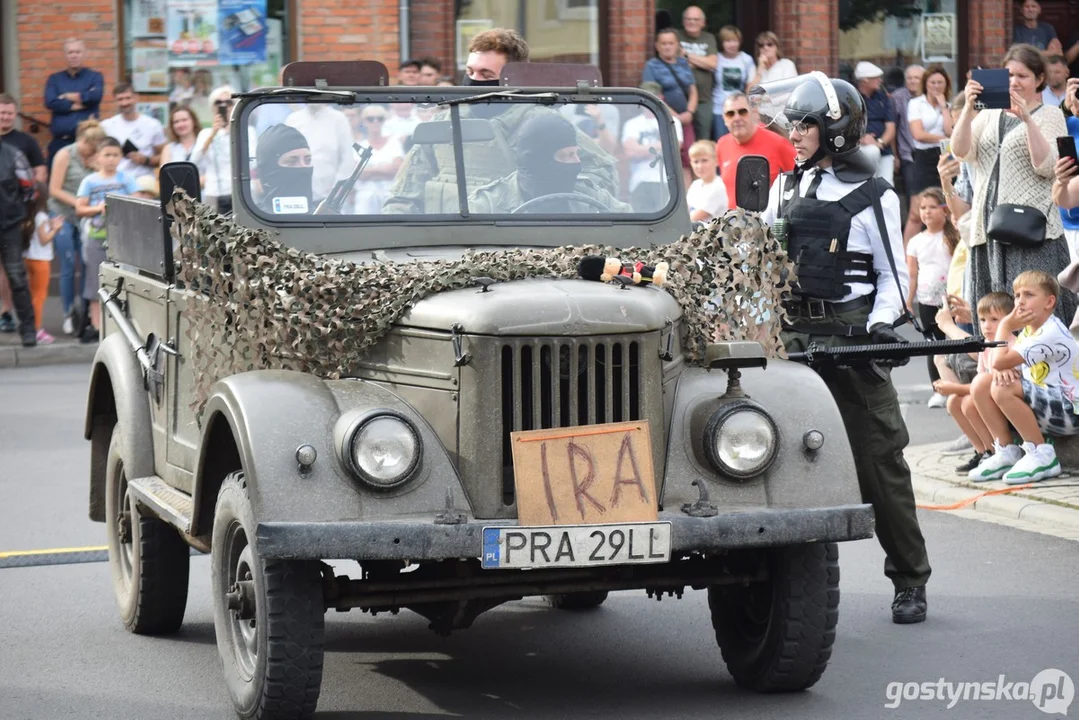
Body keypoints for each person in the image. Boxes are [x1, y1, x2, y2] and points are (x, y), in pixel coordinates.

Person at [762, 74, 931, 624]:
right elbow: (762, 261)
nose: (796, 132)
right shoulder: (784, 187)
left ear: (834, 129)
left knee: (879, 458)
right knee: (771, 453)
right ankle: (776, 584)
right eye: (795, 122)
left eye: (806, 123)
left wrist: (879, 330)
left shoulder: (875, 193)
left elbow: (892, 277)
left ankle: (909, 579)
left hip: (850, 332)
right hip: (792, 335)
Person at [383, 29, 618, 215]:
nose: (474, 81)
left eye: (486, 75)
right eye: (470, 72)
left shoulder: (542, 124)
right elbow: (403, 196)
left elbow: (601, 176)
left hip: (517, 247)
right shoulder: (444, 123)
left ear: (514, 77)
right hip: (442, 246)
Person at [952, 44, 1074, 330]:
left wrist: (1028, 119)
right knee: (994, 317)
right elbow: (961, 152)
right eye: (1009, 75)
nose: (1014, 82)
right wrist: (968, 109)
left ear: (1039, 80)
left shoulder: (1050, 115)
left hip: (1030, 232)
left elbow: (1045, 165)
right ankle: (999, 372)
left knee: (1034, 316)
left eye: (1022, 75)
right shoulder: (988, 115)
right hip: (989, 230)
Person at [968, 270, 1079, 483]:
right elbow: (1000, 366)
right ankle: (1008, 452)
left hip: (1069, 411)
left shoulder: (1050, 332)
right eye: (1017, 295)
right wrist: (1002, 367)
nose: (1020, 301)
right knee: (982, 383)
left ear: (1049, 302)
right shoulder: (1030, 331)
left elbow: (999, 361)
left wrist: (1005, 325)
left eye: (1028, 295)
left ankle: (1042, 456)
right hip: (1046, 404)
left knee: (1003, 388)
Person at [468, 114, 630, 214]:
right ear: (539, 162)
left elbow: (630, 223)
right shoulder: (487, 204)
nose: (577, 163)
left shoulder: (590, 196)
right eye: (567, 155)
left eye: (576, 153)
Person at [932, 291, 1015, 474]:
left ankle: (998, 450)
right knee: (954, 401)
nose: (986, 326)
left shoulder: (1007, 345)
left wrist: (955, 387)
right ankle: (984, 451)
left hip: (1007, 400)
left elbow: (986, 383)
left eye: (994, 320)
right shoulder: (987, 345)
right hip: (991, 396)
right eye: (983, 320)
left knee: (967, 402)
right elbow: (980, 380)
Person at [75, 137, 138, 343]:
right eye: (107, 155)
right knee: (95, 280)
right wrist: (97, 208)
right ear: (98, 157)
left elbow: (137, 202)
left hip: (122, 238)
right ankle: (96, 325)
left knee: (123, 280)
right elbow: (80, 207)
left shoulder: (126, 179)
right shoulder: (90, 181)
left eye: (115, 155)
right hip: (96, 237)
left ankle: (121, 327)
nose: (111, 159)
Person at [48, 117, 104, 335]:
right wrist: (80, 203)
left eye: (94, 146)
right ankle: (68, 313)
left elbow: (101, 182)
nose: (89, 150)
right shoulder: (65, 154)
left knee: (87, 265)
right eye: (87, 145)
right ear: (80, 139)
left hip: (86, 219)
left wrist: (97, 166)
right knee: (68, 262)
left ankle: (85, 312)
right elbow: (54, 189)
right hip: (62, 214)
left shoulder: (96, 157)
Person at [907, 188, 958, 408]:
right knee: (933, 344)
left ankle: (958, 384)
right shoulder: (915, 242)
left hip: (953, 298)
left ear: (945, 211)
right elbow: (912, 274)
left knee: (956, 342)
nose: (927, 212)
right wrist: (908, 301)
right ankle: (937, 387)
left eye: (932, 207)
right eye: (923, 207)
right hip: (927, 300)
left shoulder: (953, 235)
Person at [714, 92, 796, 206]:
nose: (737, 118)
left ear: (753, 113)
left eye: (742, 112)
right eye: (730, 114)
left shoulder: (778, 144)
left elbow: (800, 180)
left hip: (767, 221)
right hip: (733, 221)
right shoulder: (722, 144)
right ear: (724, 119)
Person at [643, 27, 698, 185]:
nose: (667, 46)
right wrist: (676, 116)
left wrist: (690, 112)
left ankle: (689, 198)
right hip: (665, 119)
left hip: (686, 119)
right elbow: (652, 94)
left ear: (677, 46)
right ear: (657, 46)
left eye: (671, 43)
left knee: (689, 157)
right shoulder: (652, 66)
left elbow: (693, 89)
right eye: (664, 43)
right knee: (671, 157)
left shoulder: (683, 63)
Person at [0, 132, 37, 346]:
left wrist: (18, 215)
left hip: (9, 225)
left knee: (17, 277)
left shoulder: (13, 155)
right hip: (11, 221)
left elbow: (29, 190)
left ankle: (28, 330)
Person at [44, 38, 104, 165]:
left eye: (78, 52)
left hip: (88, 143)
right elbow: (50, 102)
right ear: (65, 55)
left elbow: (95, 96)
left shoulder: (94, 77)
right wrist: (79, 104)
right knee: (55, 181)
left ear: (84, 54)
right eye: (70, 52)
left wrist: (66, 96)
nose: (74, 56)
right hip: (61, 143)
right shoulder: (55, 79)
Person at [285, 101, 355, 206]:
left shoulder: (339, 119)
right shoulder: (293, 119)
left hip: (330, 196)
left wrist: (337, 188)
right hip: (297, 196)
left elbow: (348, 157)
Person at [23, 184, 63, 345]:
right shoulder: (41, 215)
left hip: (29, 257)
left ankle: (31, 326)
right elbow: (44, 239)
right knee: (39, 296)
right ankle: (36, 329)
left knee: (32, 294)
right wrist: (55, 229)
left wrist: (50, 226)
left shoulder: (30, 212)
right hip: (40, 259)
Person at [101, 83, 166, 180]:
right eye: (120, 99)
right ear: (115, 101)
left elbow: (164, 156)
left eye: (128, 98)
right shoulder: (106, 126)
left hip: (143, 179)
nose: (124, 103)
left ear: (136, 98)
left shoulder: (153, 125)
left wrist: (145, 160)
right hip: (115, 180)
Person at [190, 87, 238, 213]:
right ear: (212, 107)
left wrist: (232, 130)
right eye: (218, 103)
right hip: (214, 191)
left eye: (228, 102)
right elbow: (194, 161)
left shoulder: (246, 130)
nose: (224, 106)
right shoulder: (206, 133)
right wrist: (213, 133)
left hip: (239, 192)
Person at [907, 65, 953, 197]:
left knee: (945, 199)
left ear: (946, 85)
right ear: (926, 84)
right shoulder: (916, 103)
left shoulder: (949, 106)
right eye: (932, 82)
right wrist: (943, 139)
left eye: (940, 83)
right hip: (924, 155)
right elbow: (918, 134)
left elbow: (950, 131)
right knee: (921, 199)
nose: (936, 86)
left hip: (945, 154)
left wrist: (944, 106)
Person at [892, 65, 925, 242]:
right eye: (910, 78)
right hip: (908, 155)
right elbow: (893, 126)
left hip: (929, 157)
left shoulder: (930, 97)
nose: (912, 81)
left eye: (917, 78)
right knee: (913, 204)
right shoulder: (898, 97)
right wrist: (895, 155)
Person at [676, 6, 718, 144]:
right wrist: (702, 62)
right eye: (688, 19)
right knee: (679, 139)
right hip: (680, 99)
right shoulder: (676, 36)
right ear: (683, 21)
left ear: (703, 23)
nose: (691, 22)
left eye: (695, 19)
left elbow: (712, 64)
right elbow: (675, 62)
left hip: (703, 99)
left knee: (703, 140)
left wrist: (687, 56)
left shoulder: (709, 38)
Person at [352, 105, 404, 214]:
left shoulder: (394, 143)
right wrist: (384, 168)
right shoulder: (359, 145)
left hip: (390, 195)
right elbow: (359, 174)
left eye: (379, 118)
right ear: (364, 122)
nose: (375, 122)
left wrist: (370, 169)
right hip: (365, 197)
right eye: (370, 119)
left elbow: (397, 170)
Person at [255, 124, 314, 214]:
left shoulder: (323, 218)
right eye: (292, 162)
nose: (303, 167)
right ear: (269, 168)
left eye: (307, 160)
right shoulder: (252, 221)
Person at [854, 62, 897, 185]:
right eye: (876, 78)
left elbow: (891, 127)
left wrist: (880, 143)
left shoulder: (884, 98)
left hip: (884, 149)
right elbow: (842, 125)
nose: (880, 80)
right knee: (867, 185)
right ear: (865, 80)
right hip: (859, 149)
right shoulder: (850, 98)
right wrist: (861, 139)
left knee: (887, 186)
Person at [711, 26, 755, 141]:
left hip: (739, 108)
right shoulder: (717, 58)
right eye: (727, 41)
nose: (732, 44)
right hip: (719, 108)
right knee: (722, 141)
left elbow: (751, 83)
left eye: (734, 40)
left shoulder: (746, 59)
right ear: (722, 43)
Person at [0, 95, 47, 184]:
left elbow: (40, 171)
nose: (6, 117)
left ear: (15, 114)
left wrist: (33, 193)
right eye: (2, 113)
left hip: (17, 195)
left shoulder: (28, 141)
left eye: (10, 113)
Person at [686, 139, 727, 221]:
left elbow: (693, 219)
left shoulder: (718, 187)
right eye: (696, 162)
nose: (700, 166)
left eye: (704, 160)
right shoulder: (695, 184)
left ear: (716, 161)